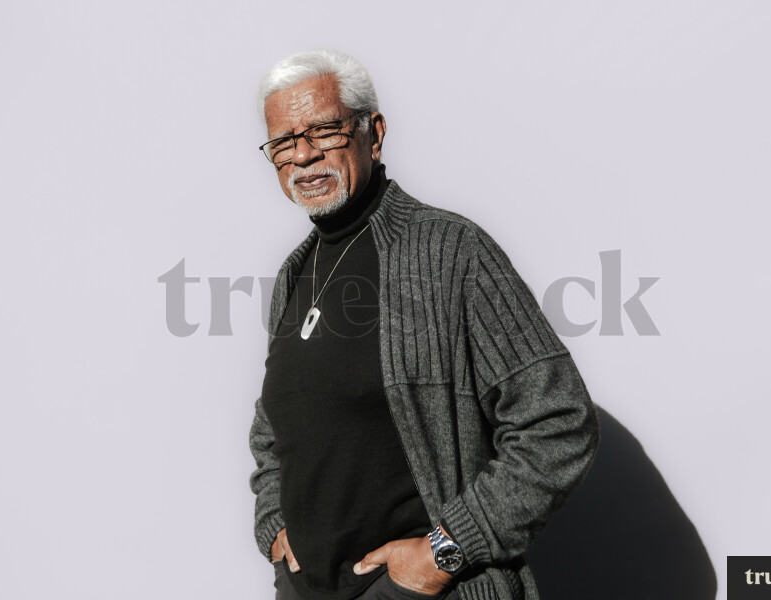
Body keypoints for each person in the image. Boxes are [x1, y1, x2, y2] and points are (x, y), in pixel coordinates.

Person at [249, 49, 599, 600]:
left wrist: (447, 550)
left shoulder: (451, 252)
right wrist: (274, 526)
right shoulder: (295, 273)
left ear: (374, 132)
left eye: (325, 130)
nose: (304, 156)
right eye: (284, 142)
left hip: (419, 591)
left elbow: (558, 420)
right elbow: (274, 429)